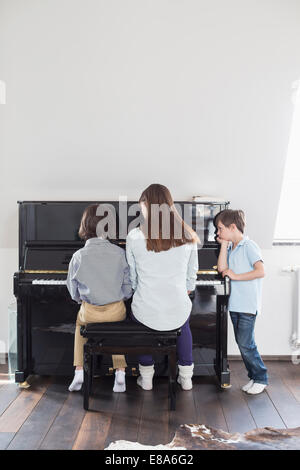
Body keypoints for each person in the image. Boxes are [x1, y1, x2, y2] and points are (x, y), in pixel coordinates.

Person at [126, 184, 199, 391]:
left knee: (140, 323)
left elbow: (133, 277)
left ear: (147, 205)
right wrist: (184, 290)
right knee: (183, 324)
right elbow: (192, 273)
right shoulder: (188, 236)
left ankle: (146, 376)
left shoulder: (134, 236)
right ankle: (186, 378)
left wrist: (139, 292)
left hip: (146, 307)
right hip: (177, 306)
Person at [67, 204, 132, 393]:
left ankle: (79, 370)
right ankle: (120, 373)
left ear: (85, 226)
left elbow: (73, 290)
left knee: (80, 325)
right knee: (117, 327)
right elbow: (128, 286)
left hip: (90, 313)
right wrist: (120, 296)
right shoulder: (120, 253)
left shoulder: (78, 256)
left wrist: (82, 300)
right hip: (115, 311)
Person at [215, 209, 267, 395]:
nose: (217, 233)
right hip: (235, 304)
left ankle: (261, 377)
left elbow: (260, 271)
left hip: (247, 304)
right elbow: (222, 269)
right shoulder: (232, 247)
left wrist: (236, 276)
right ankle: (254, 377)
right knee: (242, 342)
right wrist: (223, 246)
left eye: (220, 229)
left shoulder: (249, 246)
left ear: (233, 227)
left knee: (246, 344)